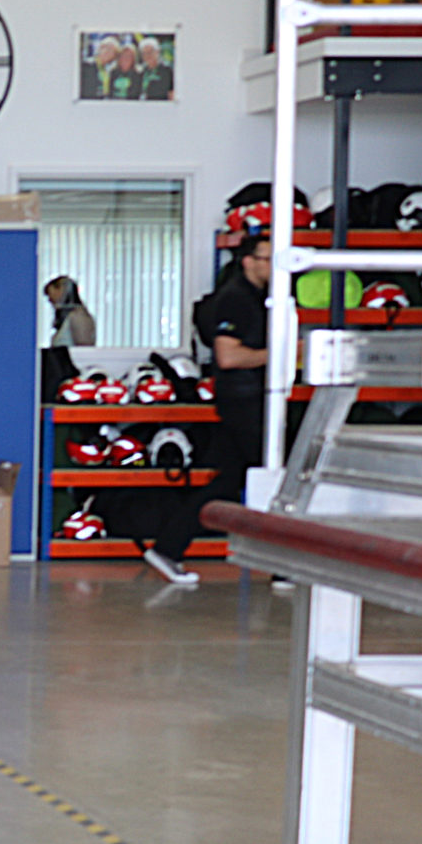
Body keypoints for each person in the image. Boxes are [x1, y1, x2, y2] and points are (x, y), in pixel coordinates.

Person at [147, 233, 271, 587]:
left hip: (252, 400)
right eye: (265, 258)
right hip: (243, 403)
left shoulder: (260, 299)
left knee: (228, 482)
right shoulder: (235, 299)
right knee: (278, 477)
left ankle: (168, 548)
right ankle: (284, 568)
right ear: (247, 261)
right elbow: (227, 356)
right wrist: (280, 355)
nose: (271, 265)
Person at [45, 276, 98, 347]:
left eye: (51, 294)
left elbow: (84, 351)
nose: (50, 299)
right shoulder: (69, 317)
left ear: (62, 290)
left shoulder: (79, 316)